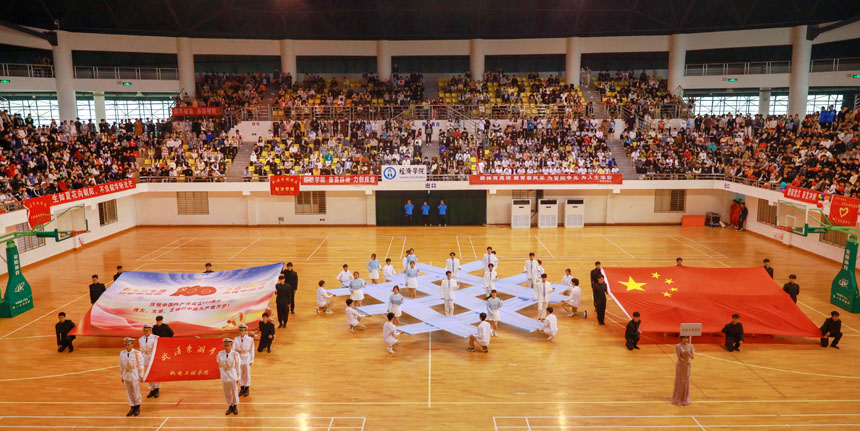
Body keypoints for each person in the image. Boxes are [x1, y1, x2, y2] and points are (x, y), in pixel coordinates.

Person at [119, 337, 144, 417]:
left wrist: (141, 375)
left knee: (136, 391)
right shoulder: (122, 353)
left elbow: (140, 365)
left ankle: (137, 407)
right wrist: (122, 376)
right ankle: (132, 406)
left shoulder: (137, 353)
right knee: (129, 392)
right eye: (126, 344)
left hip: (134, 374)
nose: (127, 346)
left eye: (128, 344)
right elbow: (121, 365)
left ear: (132, 344)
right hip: (126, 374)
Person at [217, 338, 241, 416]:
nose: (226, 347)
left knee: (234, 391)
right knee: (226, 392)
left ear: (231, 345)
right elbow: (220, 365)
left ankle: (235, 406)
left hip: (232, 374)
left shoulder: (235, 354)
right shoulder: (220, 354)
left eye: (228, 345)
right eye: (225, 345)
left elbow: (238, 366)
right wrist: (221, 375)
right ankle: (230, 406)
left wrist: (238, 377)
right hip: (224, 375)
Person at [671, 336, 695, 406]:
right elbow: (679, 358)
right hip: (681, 365)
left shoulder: (691, 346)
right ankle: (678, 397)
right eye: (684, 338)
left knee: (686, 380)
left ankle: (685, 397)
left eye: (687, 338)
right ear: (681, 339)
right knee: (680, 380)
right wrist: (684, 356)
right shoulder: (678, 346)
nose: (686, 340)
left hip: (687, 365)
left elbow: (692, 357)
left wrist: (689, 354)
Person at [233, 324, 255, 397]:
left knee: (247, 373)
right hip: (239, 358)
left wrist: (252, 360)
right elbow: (233, 349)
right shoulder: (236, 339)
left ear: (245, 331)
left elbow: (252, 350)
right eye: (240, 331)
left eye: (242, 331)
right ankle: (242, 388)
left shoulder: (250, 339)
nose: (241, 332)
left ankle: (247, 387)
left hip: (246, 358)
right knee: (240, 373)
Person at [138, 325, 160, 398]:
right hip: (145, 357)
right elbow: (141, 350)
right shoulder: (140, 339)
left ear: (150, 330)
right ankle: (151, 389)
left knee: (155, 373)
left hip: (152, 357)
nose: (145, 332)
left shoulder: (156, 338)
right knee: (147, 373)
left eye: (147, 331)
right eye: (144, 331)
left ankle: (157, 388)